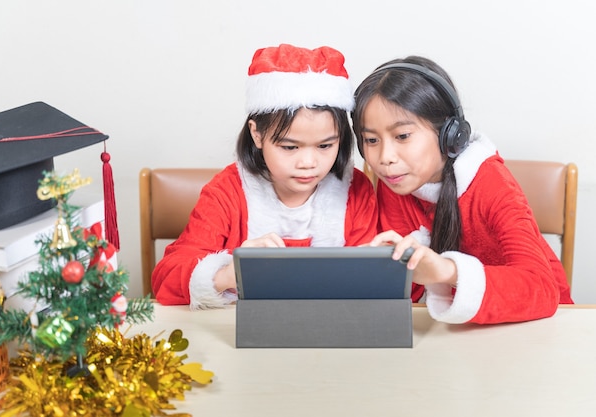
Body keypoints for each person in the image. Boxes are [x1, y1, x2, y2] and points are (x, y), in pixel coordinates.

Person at [152, 44, 378, 308]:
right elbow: (166, 279)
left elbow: (370, 283)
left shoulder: (356, 189)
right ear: (257, 134)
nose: (308, 163)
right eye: (290, 147)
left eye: (325, 146)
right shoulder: (227, 190)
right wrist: (225, 274)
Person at [352, 56, 573, 325]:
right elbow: (407, 294)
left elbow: (542, 288)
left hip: (538, 327)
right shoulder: (396, 179)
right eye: (371, 140)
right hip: (448, 332)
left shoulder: (491, 182)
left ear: (449, 133)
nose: (385, 157)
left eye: (402, 136)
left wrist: (448, 271)